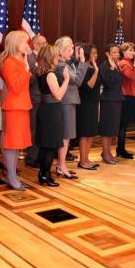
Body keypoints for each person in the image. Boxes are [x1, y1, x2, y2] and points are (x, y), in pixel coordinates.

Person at [1, 30, 32, 191]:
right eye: (24, 42)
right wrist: (26, 70)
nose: (27, 45)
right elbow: (15, 86)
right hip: (14, 107)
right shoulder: (9, 62)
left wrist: (26, 67)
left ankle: (13, 176)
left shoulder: (21, 60)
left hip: (23, 105)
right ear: (16, 44)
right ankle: (11, 177)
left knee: (17, 144)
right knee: (12, 144)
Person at [36, 45, 70, 187]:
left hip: (46, 110)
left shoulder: (41, 72)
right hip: (51, 111)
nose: (58, 58)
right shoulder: (50, 74)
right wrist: (67, 79)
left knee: (46, 145)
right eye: (56, 56)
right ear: (51, 58)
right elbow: (59, 95)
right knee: (50, 145)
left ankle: (44, 173)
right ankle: (44, 175)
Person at [55, 36, 87, 179]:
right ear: (61, 51)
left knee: (66, 136)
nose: (71, 52)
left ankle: (61, 165)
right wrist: (83, 61)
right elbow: (77, 80)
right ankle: (62, 166)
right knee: (65, 136)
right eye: (69, 49)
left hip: (69, 102)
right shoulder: (61, 65)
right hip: (66, 103)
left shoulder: (66, 63)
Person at [116, 42, 135, 159]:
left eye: (133, 50)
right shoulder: (123, 63)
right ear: (123, 52)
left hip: (130, 96)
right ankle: (121, 149)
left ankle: (121, 148)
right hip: (125, 96)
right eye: (129, 50)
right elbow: (131, 76)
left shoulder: (129, 63)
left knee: (124, 125)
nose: (132, 52)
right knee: (122, 125)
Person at [76, 43, 101, 170]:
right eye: (93, 53)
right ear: (87, 54)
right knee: (85, 133)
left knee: (91, 133)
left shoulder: (93, 66)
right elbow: (89, 85)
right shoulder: (84, 67)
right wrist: (96, 71)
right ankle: (82, 161)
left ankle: (87, 158)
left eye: (96, 53)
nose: (95, 55)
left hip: (93, 103)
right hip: (84, 104)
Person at [25, 34, 48, 168]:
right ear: (36, 45)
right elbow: (34, 76)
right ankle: (31, 158)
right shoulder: (29, 57)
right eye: (43, 43)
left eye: (45, 43)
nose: (45, 45)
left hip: (44, 98)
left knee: (41, 129)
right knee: (33, 129)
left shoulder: (43, 58)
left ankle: (39, 156)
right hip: (34, 98)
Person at [99, 43, 124, 165]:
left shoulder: (117, 65)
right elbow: (108, 83)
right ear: (107, 54)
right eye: (114, 52)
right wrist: (112, 69)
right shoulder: (104, 66)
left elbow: (119, 82)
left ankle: (107, 152)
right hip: (108, 101)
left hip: (117, 99)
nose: (117, 54)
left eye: (118, 52)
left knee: (113, 129)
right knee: (107, 129)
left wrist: (115, 68)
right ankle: (106, 152)